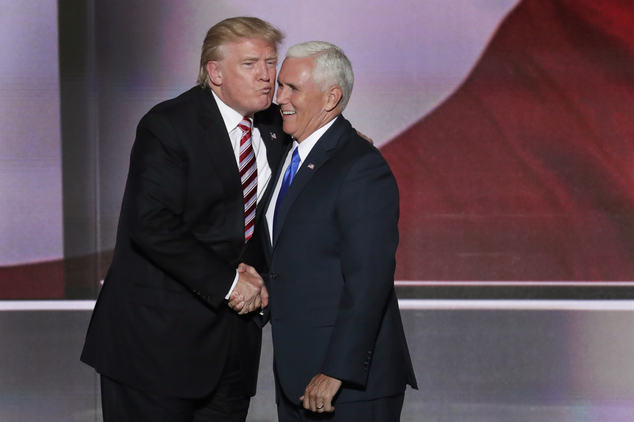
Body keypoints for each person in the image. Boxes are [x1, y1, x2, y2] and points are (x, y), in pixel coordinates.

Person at [80, 17, 290, 422]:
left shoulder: (276, 126)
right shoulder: (169, 125)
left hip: (232, 347)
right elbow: (152, 224)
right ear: (215, 72)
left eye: (270, 62)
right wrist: (231, 284)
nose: (266, 76)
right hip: (153, 347)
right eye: (250, 64)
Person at [254, 41, 418, 421]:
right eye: (280, 86)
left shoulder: (360, 167)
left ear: (331, 98)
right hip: (295, 376)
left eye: (292, 88)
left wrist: (336, 371)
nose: (279, 98)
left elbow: (369, 279)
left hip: (347, 386)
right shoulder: (288, 154)